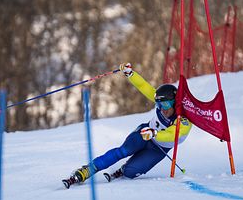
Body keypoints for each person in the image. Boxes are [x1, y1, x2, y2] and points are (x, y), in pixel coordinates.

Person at [63, 62, 192, 187]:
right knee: (124, 151)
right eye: (159, 104)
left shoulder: (183, 119)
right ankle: (87, 170)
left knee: (131, 172)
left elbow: (174, 134)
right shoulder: (162, 101)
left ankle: (125, 168)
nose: (162, 109)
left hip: (159, 148)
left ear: (174, 103)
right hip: (144, 132)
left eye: (165, 105)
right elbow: (144, 87)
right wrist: (130, 73)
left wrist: (155, 134)